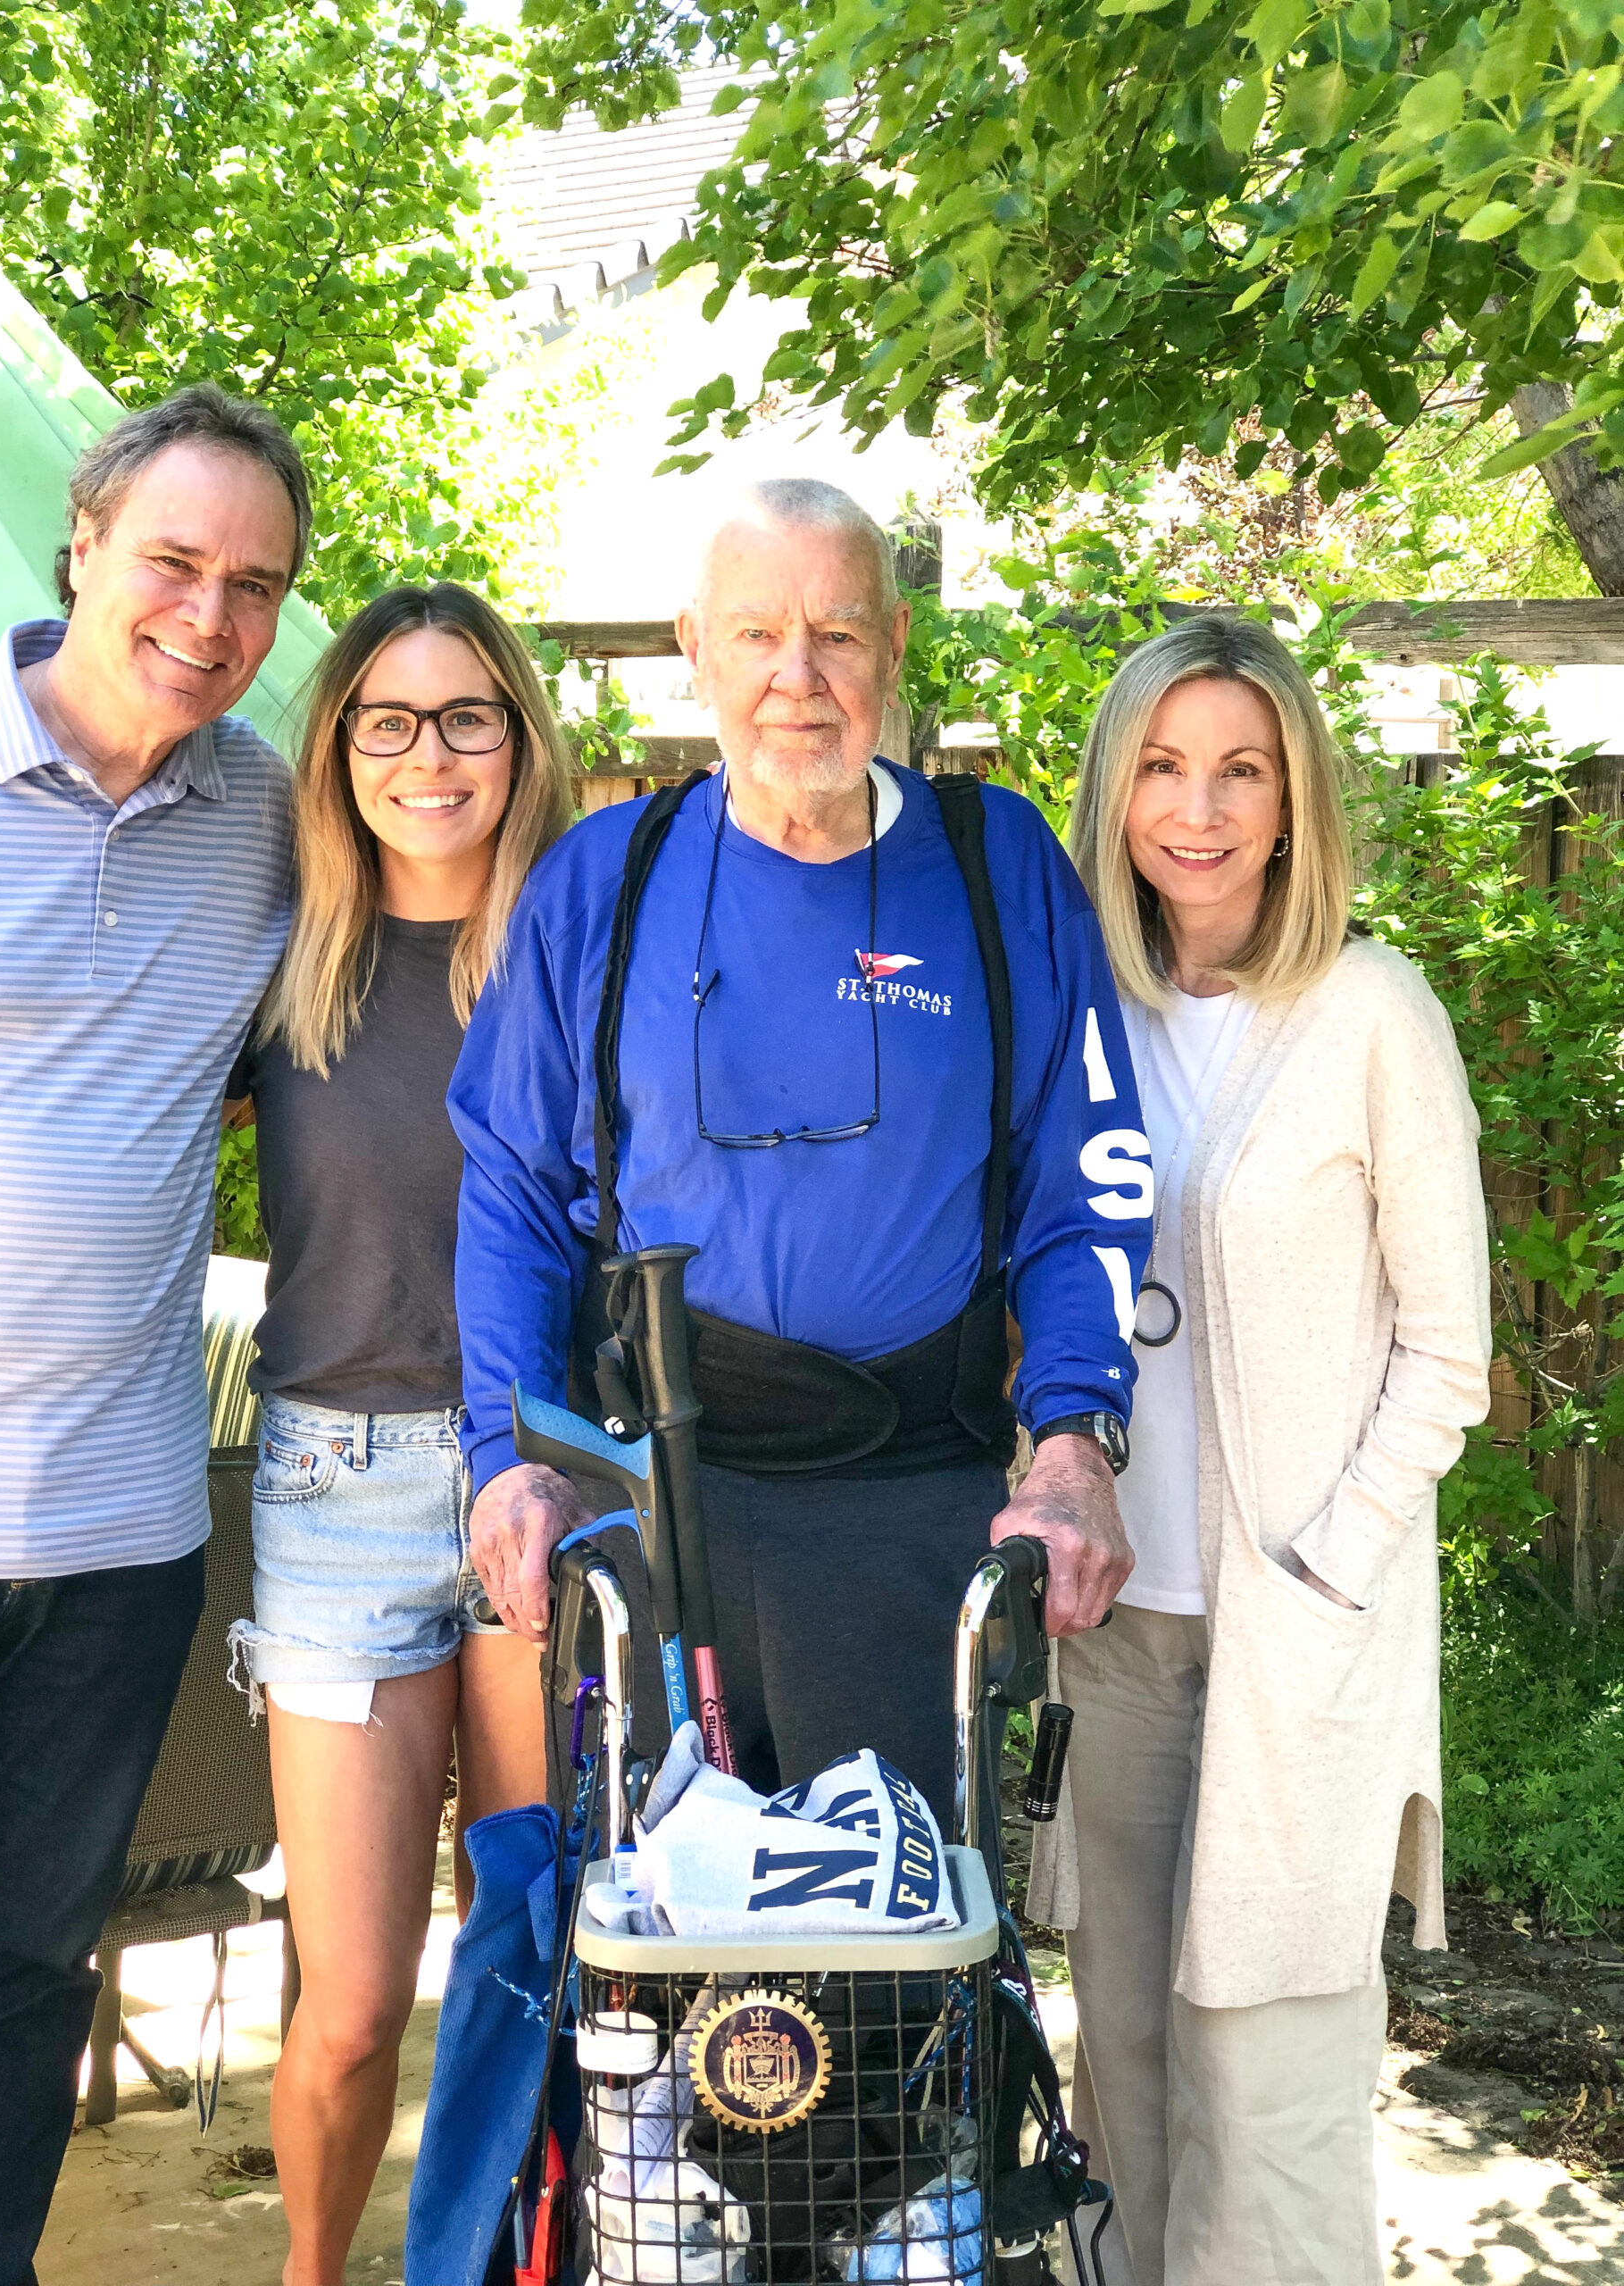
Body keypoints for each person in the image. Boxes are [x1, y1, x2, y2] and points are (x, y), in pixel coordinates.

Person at [447, 478, 1154, 1827]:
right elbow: (512, 1197)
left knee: (901, 1972)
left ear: (893, 646)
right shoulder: (603, 881)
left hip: (909, 1501)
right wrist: (502, 1453)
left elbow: (1090, 1185)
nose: (798, 675)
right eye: (758, 633)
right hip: (652, 1503)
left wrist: (1074, 1443)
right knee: (659, 1990)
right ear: (692, 646)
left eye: (837, 633)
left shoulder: (999, 866)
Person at [1029, 617, 1493, 2286]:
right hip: (1122, 1627)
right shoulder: (1088, 1015)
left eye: (1240, 769)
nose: (1198, 807)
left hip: (1301, 1638)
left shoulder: (1376, 1015)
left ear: (1294, 802)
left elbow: (1450, 1354)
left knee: (1273, 2068)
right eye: (1161, 764)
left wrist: (1323, 1564)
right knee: (1130, 2062)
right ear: (1117, 788)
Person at [0, 383, 310, 2286]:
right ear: (81, 542)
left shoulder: (270, 821)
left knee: (17, 1974)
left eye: (256, 584)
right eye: (174, 559)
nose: (209, 615)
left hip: (116, 1542)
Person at [223, 584, 570, 2286]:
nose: (428, 757)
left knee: (522, 1960)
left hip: (546, 1492)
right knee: (352, 2006)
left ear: (519, 736)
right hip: (337, 1487)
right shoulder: (278, 952)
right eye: (387, 721)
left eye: (466, 719)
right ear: (340, 746)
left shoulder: (588, 950)